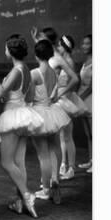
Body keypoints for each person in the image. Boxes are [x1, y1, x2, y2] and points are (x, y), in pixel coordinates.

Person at [0, 34, 43, 218]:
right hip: (23, 115)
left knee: (6, 162)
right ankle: (20, 202)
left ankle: (27, 195)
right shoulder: (26, 68)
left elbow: (1, 93)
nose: (4, 50)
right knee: (19, 162)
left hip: (12, 117)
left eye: (5, 48)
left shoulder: (16, 71)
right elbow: (30, 96)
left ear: (10, 52)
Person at [30, 27, 81, 181]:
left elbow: (74, 78)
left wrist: (60, 93)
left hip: (56, 100)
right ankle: (58, 171)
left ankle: (68, 167)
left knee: (64, 136)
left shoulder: (57, 58)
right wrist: (35, 39)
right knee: (57, 139)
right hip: (48, 103)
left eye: (42, 38)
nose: (39, 40)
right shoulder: (47, 55)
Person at [28, 40, 71, 204]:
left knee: (42, 154)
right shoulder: (54, 72)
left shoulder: (34, 73)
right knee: (55, 148)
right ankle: (55, 180)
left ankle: (46, 189)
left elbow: (30, 97)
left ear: (36, 55)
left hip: (39, 113)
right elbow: (54, 92)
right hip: (52, 112)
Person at [55, 34, 88, 180]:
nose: (58, 48)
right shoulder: (62, 61)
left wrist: (62, 92)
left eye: (60, 45)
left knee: (68, 136)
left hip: (66, 99)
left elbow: (74, 82)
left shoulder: (68, 62)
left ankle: (71, 167)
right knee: (62, 135)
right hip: (60, 99)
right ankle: (63, 164)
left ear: (65, 47)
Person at [77, 34, 93, 173]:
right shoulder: (85, 62)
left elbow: (91, 86)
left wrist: (78, 98)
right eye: (83, 43)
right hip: (83, 101)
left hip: (90, 100)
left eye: (87, 44)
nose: (84, 46)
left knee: (95, 133)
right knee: (88, 134)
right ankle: (91, 160)